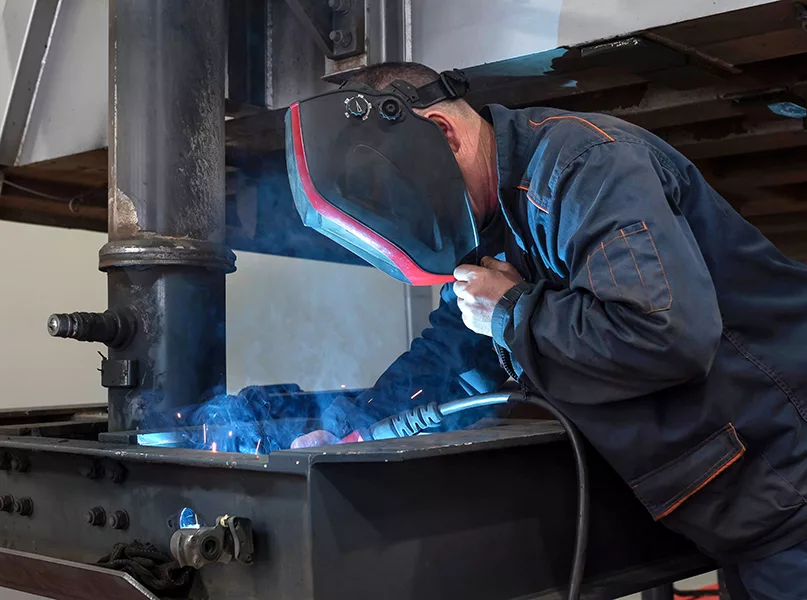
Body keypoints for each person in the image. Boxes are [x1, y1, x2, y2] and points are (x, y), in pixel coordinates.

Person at [287, 62, 807, 599]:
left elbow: (664, 335)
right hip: (748, 510)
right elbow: (449, 351)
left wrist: (510, 312)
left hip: (789, 479)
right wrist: (354, 431)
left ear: (442, 132)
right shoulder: (492, 222)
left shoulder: (586, 168)